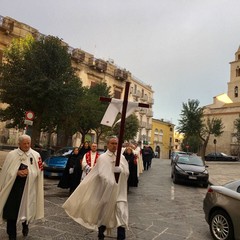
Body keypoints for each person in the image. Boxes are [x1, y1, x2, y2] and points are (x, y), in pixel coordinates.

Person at [62, 136, 129, 240]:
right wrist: (112, 181)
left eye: (116, 143)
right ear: (108, 144)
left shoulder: (122, 158)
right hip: (105, 192)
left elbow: (127, 173)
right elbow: (102, 174)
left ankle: (121, 237)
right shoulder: (102, 158)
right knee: (104, 215)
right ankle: (101, 235)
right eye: (112, 143)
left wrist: (120, 170)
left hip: (119, 193)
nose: (114, 145)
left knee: (121, 214)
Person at [0, 134, 44, 240]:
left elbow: (40, 172)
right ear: (19, 144)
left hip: (29, 188)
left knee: (26, 210)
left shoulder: (36, 155)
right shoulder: (11, 155)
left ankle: (25, 226)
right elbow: (6, 172)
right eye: (24, 143)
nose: (26, 145)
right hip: (13, 189)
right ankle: (12, 235)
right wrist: (16, 172)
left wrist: (30, 172)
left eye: (28, 143)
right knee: (11, 212)